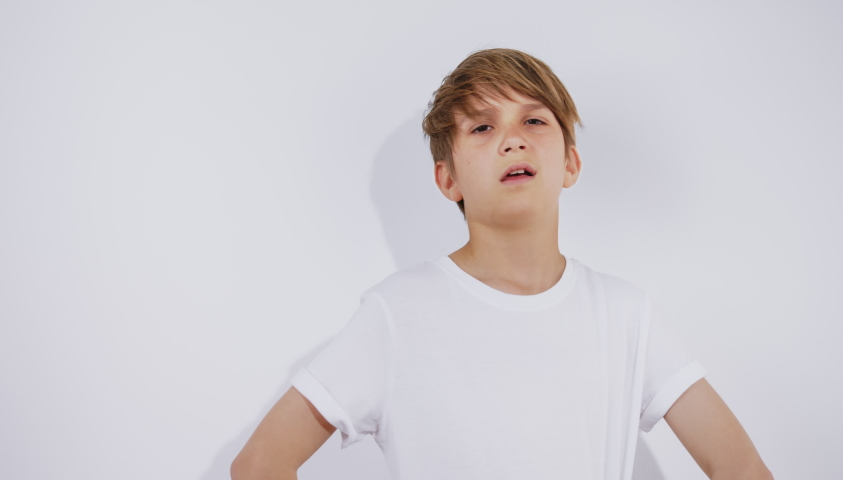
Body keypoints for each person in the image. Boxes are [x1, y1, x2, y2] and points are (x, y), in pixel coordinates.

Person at [231, 48, 774, 480]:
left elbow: (742, 469)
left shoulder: (626, 314)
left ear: (570, 162)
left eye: (534, 120)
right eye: (483, 128)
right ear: (448, 179)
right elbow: (260, 465)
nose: (513, 139)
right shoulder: (396, 315)